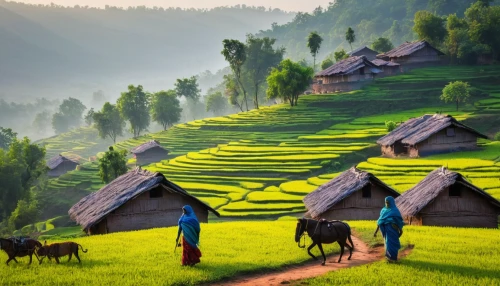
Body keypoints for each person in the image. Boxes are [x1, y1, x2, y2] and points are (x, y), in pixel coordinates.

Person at [374, 196, 404, 262]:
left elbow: (399, 221)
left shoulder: (395, 210)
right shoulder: (383, 210)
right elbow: (380, 221)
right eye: (386, 202)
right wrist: (375, 232)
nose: (387, 204)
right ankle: (389, 258)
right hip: (387, 231)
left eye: (388, 202)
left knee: (394, 244)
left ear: (392, 202)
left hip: (394, 230)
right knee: (388, 244)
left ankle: (394, 258)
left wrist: (400, 230)